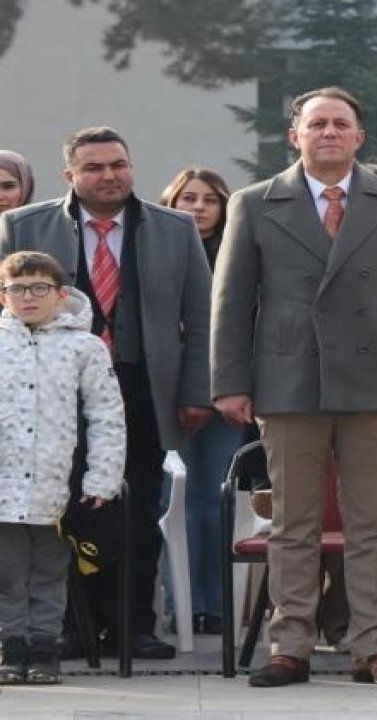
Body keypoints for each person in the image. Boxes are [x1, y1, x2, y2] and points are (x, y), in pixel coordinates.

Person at [211, 86, 377, 688]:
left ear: (359, 136)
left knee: (372, 520)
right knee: (294, 521)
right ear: (295, 135)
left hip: (376, 379)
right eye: (317, 124)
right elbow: (232, 301)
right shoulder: (255, 202)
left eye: (341, 124)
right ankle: (289, 644)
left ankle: (372, 645)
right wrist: (231, 383)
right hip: (289, 377)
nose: (329, 133)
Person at [0, 127, 213, 660]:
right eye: (94, 167)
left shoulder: (174, 228)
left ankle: (133, 625)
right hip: (49, 391)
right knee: (62, 511)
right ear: (70, 175)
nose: (109, 175)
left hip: (143, 387)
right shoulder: (25, 225)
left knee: (135, 507)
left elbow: (200, 316)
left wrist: (196, 392)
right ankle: (71, 626)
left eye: (118, 164)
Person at [0, 252, 126, 685]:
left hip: (56, 486)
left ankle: (44, 648)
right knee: (7, 571)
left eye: (39, 288)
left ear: (60, 294)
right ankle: (10, 647)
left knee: (50, 570)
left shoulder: (84, 346)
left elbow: (107, 414)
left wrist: (103, 478)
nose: (28, 297)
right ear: (4, 296)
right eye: (18, 288)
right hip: (4, 483)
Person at [158, 166, 240, 637]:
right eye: (188, 198)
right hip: (168, 395)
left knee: (217, 499)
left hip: (227, 394)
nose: (198, 207)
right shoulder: (157, 251)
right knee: (175, 501)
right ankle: (182, 603)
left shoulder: (237, 253)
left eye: (209, 199)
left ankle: (217, 604)